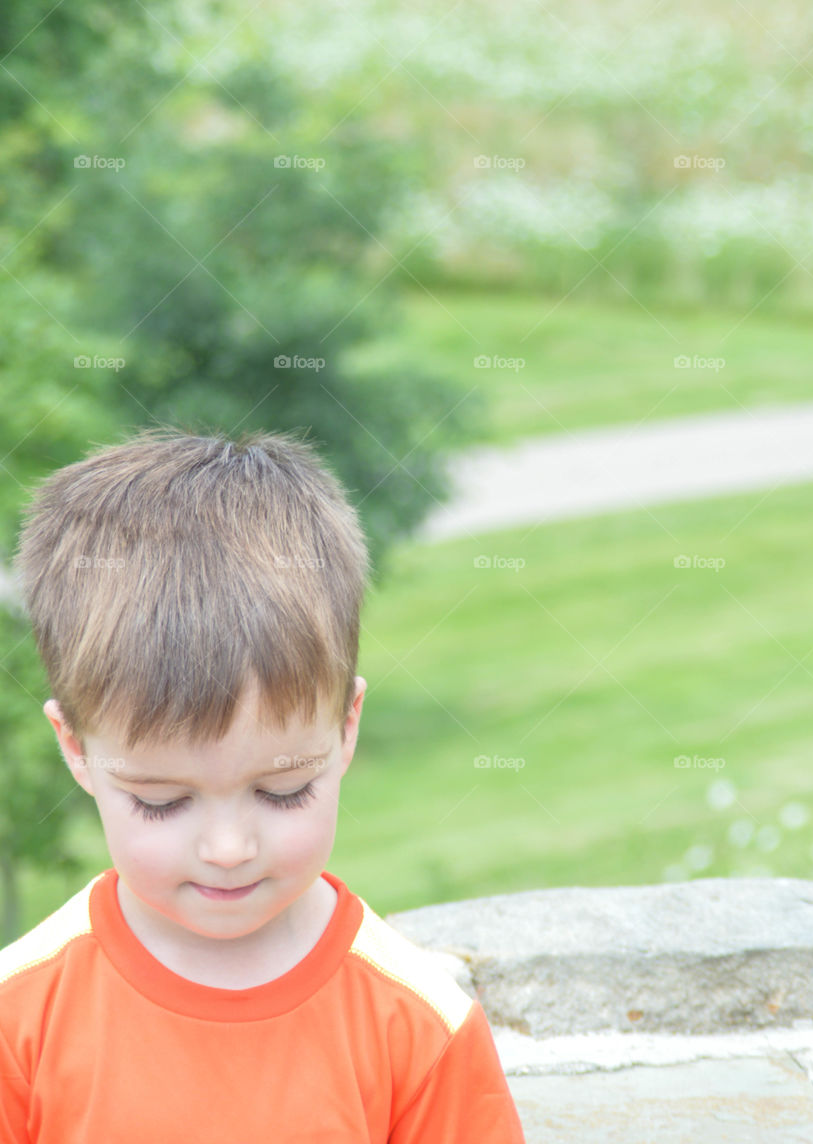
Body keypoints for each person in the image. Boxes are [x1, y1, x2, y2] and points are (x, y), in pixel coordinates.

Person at [0, 427, 526, 1143]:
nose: (227, 847)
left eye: (282, 792)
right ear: (76, 749)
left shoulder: (419, 1025)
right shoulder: (18, 1019)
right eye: (162, 801)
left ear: (346, 727)